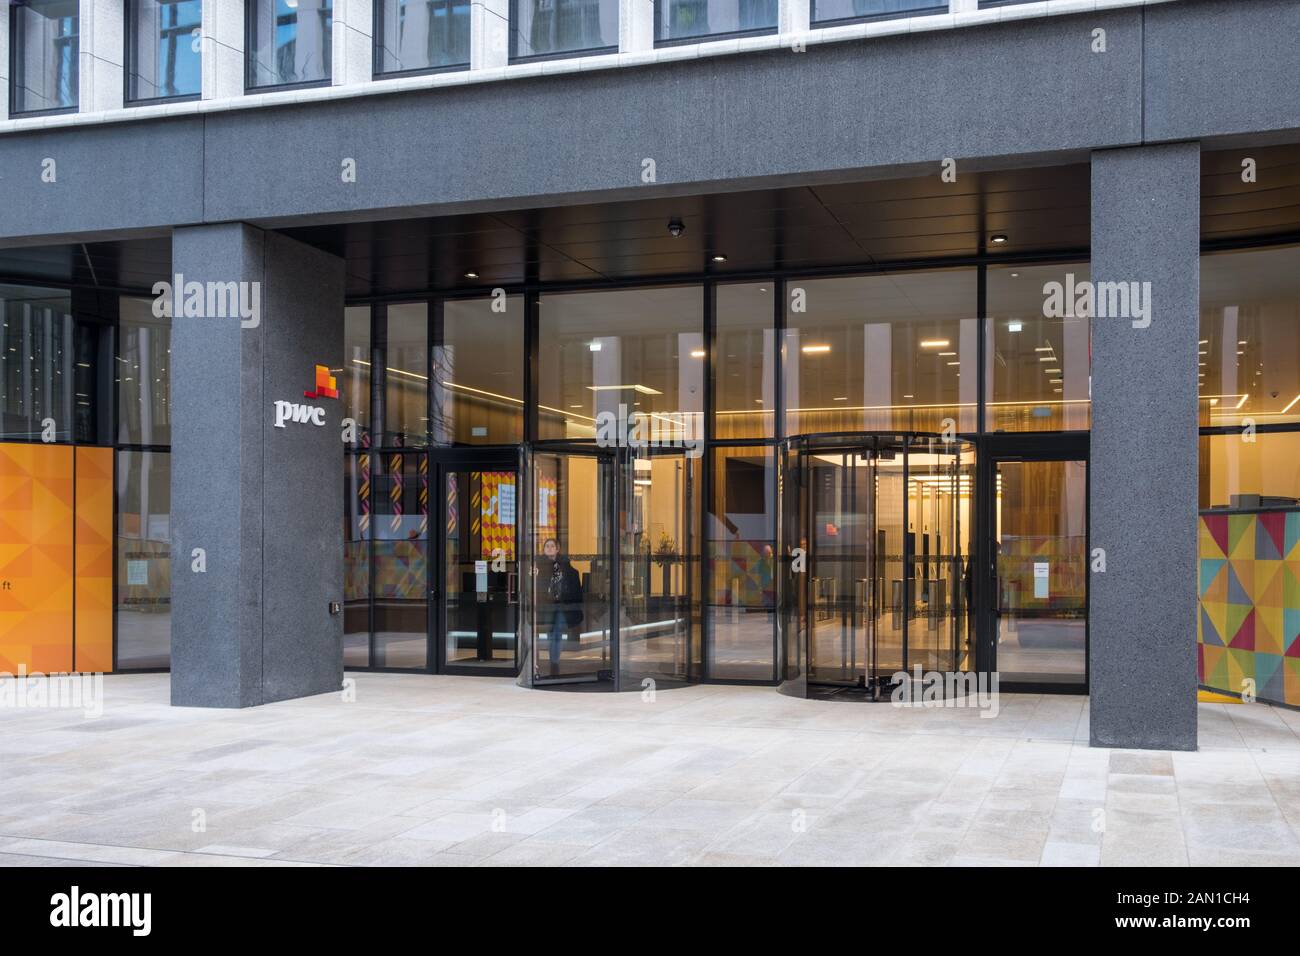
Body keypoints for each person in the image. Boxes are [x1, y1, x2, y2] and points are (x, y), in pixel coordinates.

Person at [536, 538, 583, 672]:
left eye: (552, 546)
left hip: (563, 605)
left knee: (557, 631)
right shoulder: (538, 567)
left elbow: (574, 586)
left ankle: (554, 662)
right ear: (544, 550)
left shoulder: (566, 566)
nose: (549, 548)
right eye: (547, 546)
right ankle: (553, 659)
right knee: (550, 632)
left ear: (557, 549)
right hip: (547, 605)